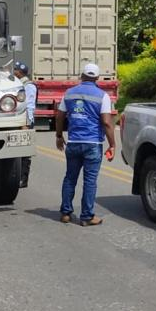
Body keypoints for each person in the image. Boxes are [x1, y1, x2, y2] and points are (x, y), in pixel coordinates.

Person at [55, 62, 116, 226]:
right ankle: (87, 217)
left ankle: (66, 213)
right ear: (97, 78)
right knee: (90, 181)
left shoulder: (69, 93)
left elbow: (60, 116)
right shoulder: (102, 96)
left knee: (70, 178)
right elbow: (107, 122)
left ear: (81, 76)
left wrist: (59, 136)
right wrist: (113, 145)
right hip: (93, 144)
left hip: (73, 143)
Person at [13, 61, 36, 188]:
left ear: (20, 72)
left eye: (15, 70)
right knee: (16, 151)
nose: (13, 72)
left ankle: (23, 179)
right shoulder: (18, 84)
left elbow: (30, 106)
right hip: (19, 120)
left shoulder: (28, 86)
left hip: (25, 121)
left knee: (24, 153)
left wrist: (26, 123)